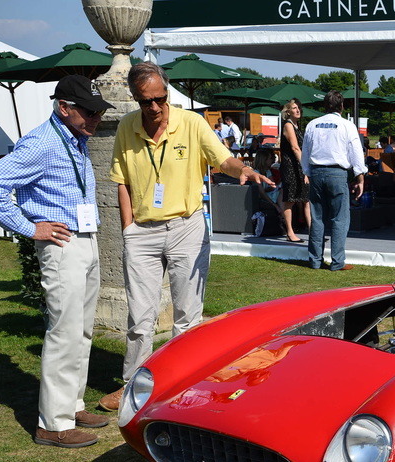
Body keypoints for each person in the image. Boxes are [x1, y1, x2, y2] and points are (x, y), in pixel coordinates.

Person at [99, 62, 270, 412]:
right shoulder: (127, 127)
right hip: (142, 233)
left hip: (186, 228)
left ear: (168, 93)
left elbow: (223, 159)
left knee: (188, 316)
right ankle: (132, 385)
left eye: (160, 98)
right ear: (135, 99)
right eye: (146, 101)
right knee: (140, 317)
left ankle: (184, 384)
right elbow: (122, 182)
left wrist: (244, 169)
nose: (155, 108)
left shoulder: (191, 123)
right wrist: (128, 229)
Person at [0, 75, 113, 448]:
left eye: (99, 110)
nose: (97, 117)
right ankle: (53, 424)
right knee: (64, 331)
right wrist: (30, 228)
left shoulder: (75, 138)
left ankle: (72, 405)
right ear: (64, 108)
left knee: (81, 330)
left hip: (83, 239)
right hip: (62, 245)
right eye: (90, 111)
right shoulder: (43, 142)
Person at [300, 89, 367, 271]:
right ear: (342, 106)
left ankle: (315, 260)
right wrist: (360, 178)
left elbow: (305, 152)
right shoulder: (347, 125)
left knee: (317, 218)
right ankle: (337, 262)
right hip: (337, 173)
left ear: (325, 106)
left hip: (316, 172)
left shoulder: (312, 124)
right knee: (340, 219)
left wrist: (307, 172)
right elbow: (356, 154)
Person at [279, 98, 310, 243]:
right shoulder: (288, 126)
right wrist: (306, 168)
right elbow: (295, 148)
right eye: (294, 108)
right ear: (288, 111)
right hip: (291, 167)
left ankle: (313, 231)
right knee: (290, 200)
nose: (297, 110)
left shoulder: (298, 126)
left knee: (306, 199)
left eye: (299, 107)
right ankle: (290, 232)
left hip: (299, 166)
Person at [249, 149, 285, 238]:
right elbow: (261, 193)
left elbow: (272, 185)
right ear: (264, 160)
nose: (272, 160)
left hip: (271, 194)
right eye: (269, 159)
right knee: (283, 193)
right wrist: (274, 205)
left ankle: (285, 219)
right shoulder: (256, 173)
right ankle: (285, 219)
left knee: (284, 191)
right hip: (263, 198)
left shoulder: (268, 172)